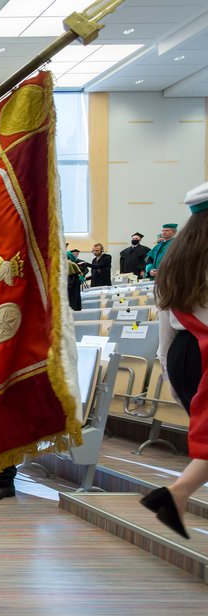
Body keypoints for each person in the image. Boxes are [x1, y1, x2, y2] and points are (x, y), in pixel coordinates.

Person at [140, 181, 208, 539]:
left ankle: (177, 495)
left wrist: (167, 368)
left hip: (184, 353)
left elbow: (165, 322)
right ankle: (176, 495)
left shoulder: (175, 259)